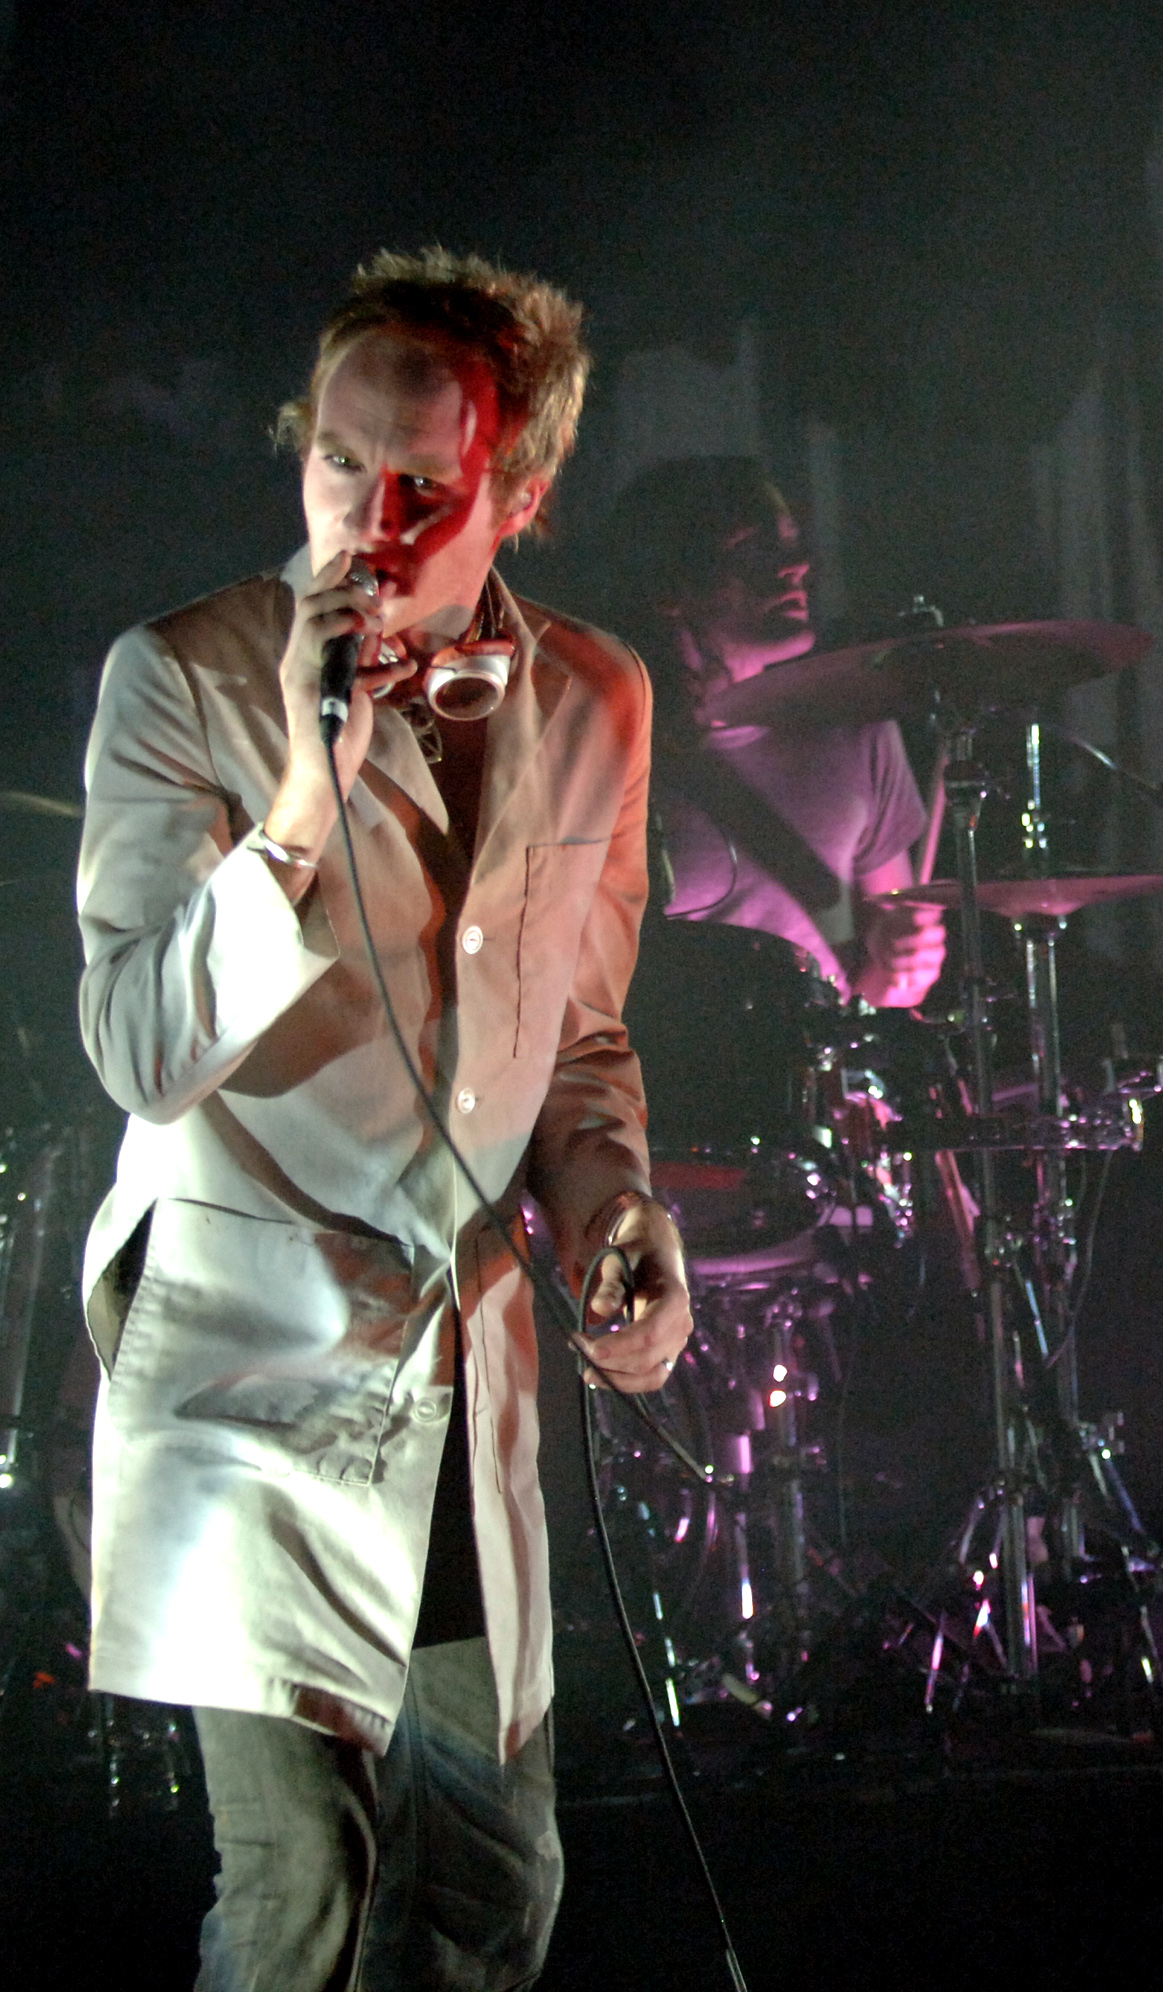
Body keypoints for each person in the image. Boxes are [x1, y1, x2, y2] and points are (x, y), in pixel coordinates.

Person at [75, 248, 692, 1989]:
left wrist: (610, 1208)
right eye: (340, 464)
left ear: (523, 494)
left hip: (456, 1352)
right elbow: (136, 1045)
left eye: (428, 483)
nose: (374, 517)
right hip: (247, 1349)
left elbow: (576, 1041)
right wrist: (298, 796)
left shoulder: (595, 700)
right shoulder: (180, 678)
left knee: (494, 1893)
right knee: (304, 1902)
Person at [597, 455, 943, 1009]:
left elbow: (882, 992)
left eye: (793, 545)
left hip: (819, 1081)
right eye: (756, 552)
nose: (797, 567)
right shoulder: (602, 751)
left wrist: (903, 965)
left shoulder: (856, 728)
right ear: (670, 585)